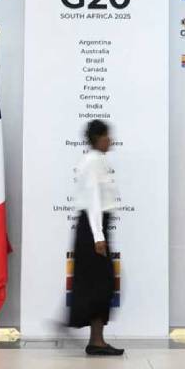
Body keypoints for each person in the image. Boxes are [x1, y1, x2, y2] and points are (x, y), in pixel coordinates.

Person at [68, 119, 124, 356]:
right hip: (93, 230)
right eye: (106, 136)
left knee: (99, 284)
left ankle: (96, 340)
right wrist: (98, 237)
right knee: (100, 285)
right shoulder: (92, 162)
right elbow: (93, 201)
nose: (109, 140)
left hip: (95, 229)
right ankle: (96, 341)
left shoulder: (98, 161)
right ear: (97, 138)